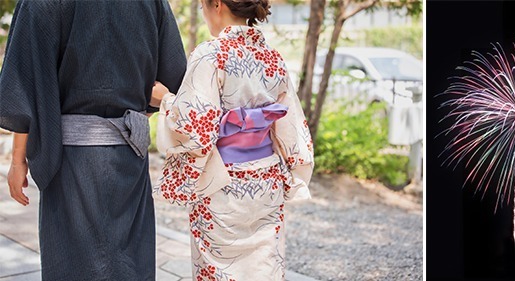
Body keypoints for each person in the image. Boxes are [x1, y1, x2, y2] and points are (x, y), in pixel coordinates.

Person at [0, 0, 186, 280]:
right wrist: (133, 112)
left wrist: (18, 160)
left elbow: (26, 85)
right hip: (128, 157)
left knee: (72, 264)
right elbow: (172, 75)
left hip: (70, 161)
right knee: (128, 265)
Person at [152, 0, 313, 279]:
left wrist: (165, 100)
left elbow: (194, 126)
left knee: (219, 271)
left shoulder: (210, 54)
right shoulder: (272, 57)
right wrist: (296, 169)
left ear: (216, 4)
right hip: (267, 181)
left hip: (221, 185)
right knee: (264, 268)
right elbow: (291, 123)